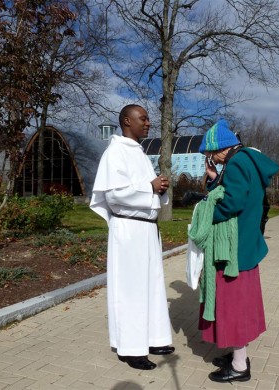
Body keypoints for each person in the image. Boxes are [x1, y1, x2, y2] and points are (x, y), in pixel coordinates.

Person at [192, 118, 279, 383]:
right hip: (242, 243)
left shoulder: (238, 162)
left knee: (233, 307)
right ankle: (236, 355)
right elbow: (227, 191)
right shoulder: (244, 160)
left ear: (221, 147)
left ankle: (240, 366)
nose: (212, 159)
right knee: (236, 304)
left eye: (211, 154)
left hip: (234, 249)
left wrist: (204, 214)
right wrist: (213, 179)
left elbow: (230, 203)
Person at [89, 104, 175, 370]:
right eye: (143, 119)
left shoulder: (138, 152)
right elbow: (114, 195)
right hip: (128, 230)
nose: (148, 123)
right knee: (131, 290)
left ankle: (153, 337)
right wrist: (148, 187)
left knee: (151, 285)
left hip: (146, 230)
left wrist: (160, 189)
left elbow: (145, 191)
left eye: (149, 118)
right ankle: (130, 348)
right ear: (127, 121)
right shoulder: (115, 152)